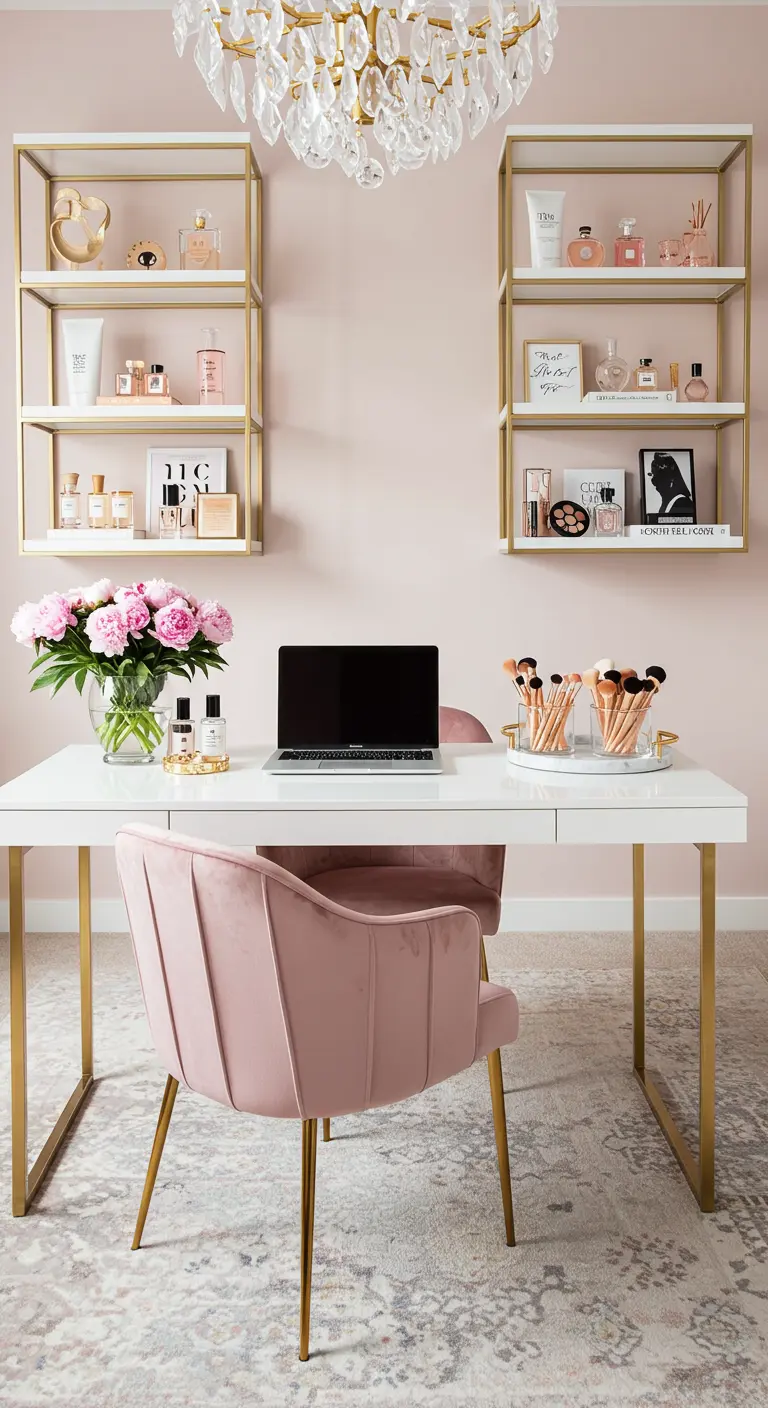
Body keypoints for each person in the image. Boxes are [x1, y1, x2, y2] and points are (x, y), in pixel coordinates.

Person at [646, 452, 695, 522]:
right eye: (652, 475)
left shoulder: (682, 503)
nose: (654, 483)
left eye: (658, 478)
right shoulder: (666, 505)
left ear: (671, 479)